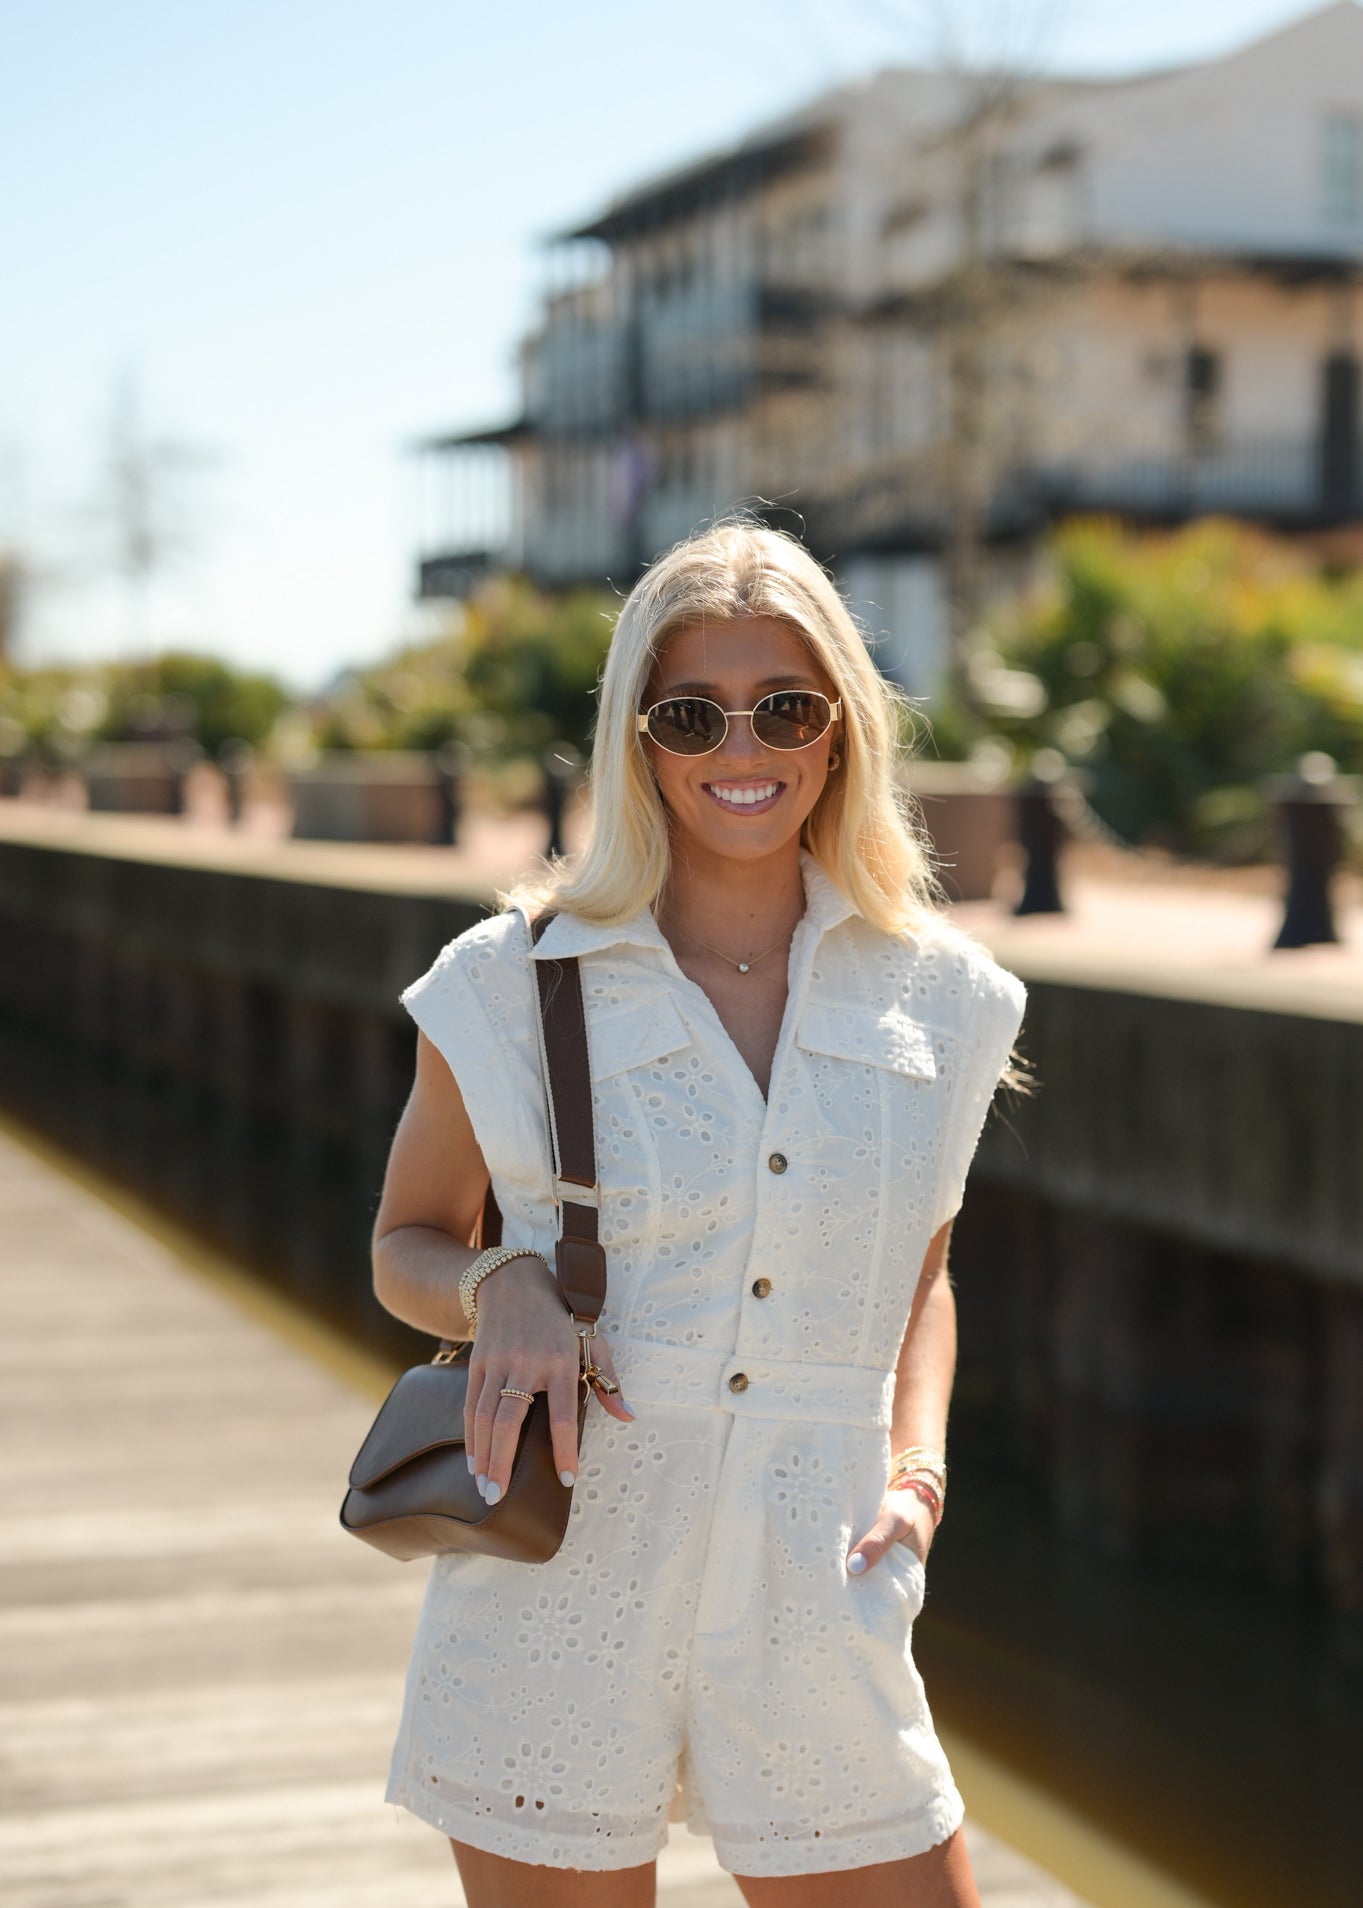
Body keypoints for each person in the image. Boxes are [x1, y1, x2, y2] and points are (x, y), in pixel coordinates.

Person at [372, 520, 1028, 1907]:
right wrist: (507, 1285)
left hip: (821, 1586)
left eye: (785, 707)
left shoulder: (947, 1001)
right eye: (693, 714)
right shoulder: (509, 980)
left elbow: (921, 1273)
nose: (744, 749)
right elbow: (405, 1244)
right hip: (562, 1586)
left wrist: (918, 1482)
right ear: (637, 738)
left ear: (840, 728)